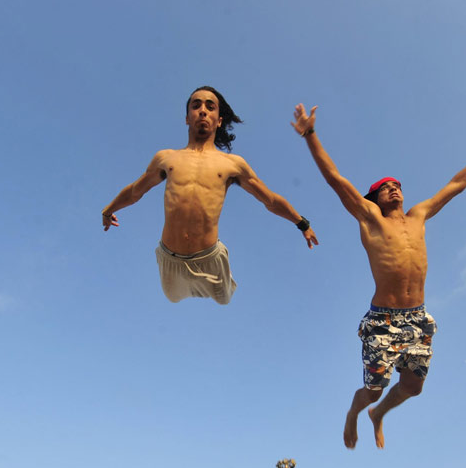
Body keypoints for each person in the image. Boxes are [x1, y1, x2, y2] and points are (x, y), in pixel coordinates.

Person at [291, 103, 466, 449]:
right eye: (385, 187)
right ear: (374, 197)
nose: (394, 188)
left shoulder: (419, 215)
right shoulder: (369, 218)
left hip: (418, 316)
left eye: (398, 185)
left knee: (412, 387)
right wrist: (310, 134)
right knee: (374, 388)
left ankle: (379, 415)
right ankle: (356, 411)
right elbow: (335, 178)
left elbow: (458, 183)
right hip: (383, 319)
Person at [102, 86, 319, 305]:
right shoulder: (166, 159)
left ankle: (223, 272)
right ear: (187, 118)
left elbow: (270, 200)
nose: (203, 110)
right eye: (196, 106)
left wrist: (302, 223)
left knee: (223, 298)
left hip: (209, 258)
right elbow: (134, 191)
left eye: (210, 106)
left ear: (219, 120)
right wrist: (109, 209)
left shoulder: (233, 164)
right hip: (170, 259)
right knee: (172, 297)